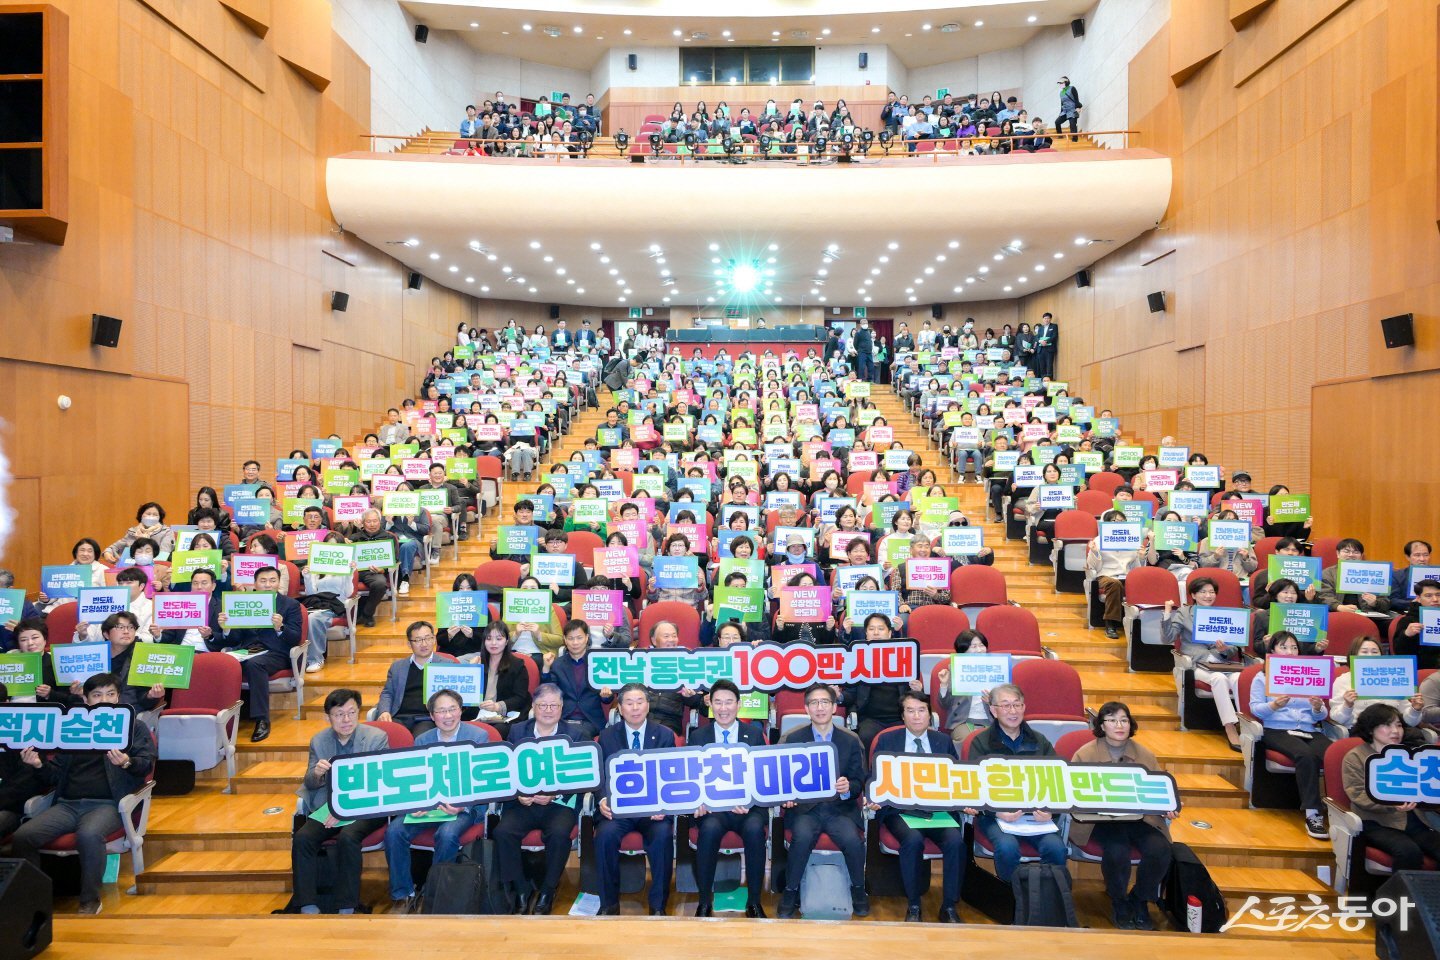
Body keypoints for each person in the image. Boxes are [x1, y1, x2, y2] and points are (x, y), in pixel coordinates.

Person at [11, 672, 157, 914]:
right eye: (97, 695)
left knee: (88, 835)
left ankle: (90, 900)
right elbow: (55, 774)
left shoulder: (134, 726)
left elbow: (146, 764)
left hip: (108, 803)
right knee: (23, 836)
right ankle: (33, 902)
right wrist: (38, 764)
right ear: (87, 701)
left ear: (119, 698)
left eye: (111, 694)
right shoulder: (73, 727)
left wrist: (126, 762)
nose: (105, 700)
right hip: (68, 804)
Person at [1069, 701, 1176, 929]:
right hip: (1100, 820)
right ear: (1101, 725)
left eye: (1124, 720)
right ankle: (1119, 901)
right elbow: (1072, 794)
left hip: (1139, 818)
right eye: (1112, 720)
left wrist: (1171, 805)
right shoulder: (1085, 754)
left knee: (1161, 849)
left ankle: (1139, 899)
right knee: (1117, 850)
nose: (1119, 725)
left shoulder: (1144, 754)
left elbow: (1161, 788)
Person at [383, 688, 491, 912]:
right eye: (441, 711)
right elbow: (414, 779)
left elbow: (485, 780)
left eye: (452, 709)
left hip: (462, 807)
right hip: (428, 807)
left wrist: (462, 805)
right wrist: (417, 803)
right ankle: (403, 894)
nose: (448, 715)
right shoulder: (423, 739)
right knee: (394, 831)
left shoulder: (478, 737)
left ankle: (436, 893)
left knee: (447, 834)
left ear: (461, 711)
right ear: (432, 716)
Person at [869, 691, 965, 923]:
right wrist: (873, 796)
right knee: (912, 840)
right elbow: (875, 777)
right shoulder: (887, 741)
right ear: (902, 716)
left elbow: (957, 779)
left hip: (938, 811)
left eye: (921, 710)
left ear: (930, 715)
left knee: (956, 842)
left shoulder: (943, 742)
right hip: (900, 811)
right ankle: (914, 905)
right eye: (910, 711)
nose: (916, 716)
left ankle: (949, 906)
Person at [290, 688, 389, 914]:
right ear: (328, 717)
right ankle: (307, 903)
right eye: (339, 714)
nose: (346, 720)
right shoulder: (319, 741)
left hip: (368, 806)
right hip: (330, 806)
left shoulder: (376, 738)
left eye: (351, 713)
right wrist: (317, 773)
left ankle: (347, 904)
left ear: (358, 713)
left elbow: (377, 783)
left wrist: (345, 809)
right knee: (303, 838)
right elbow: (310, 783)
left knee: (348, 836)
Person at [777, 682, 869, 919]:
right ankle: (790, 892)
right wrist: (786, 798)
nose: (819, 708)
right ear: (806, 708)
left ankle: (859, 890)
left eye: (825, 702)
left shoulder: (850, 740)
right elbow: (781, 778)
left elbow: (859, 780)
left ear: (834, 707)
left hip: (839, 808)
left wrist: (848, 787)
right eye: (814, 703)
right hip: (806, 810)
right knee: (802, 837)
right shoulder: (793, 738)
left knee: (852, 840)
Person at [963, 683, 1069, 882]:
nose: (1013, 711)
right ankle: (1013, 899)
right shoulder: (981, 742)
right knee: (1007, 848)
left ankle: (1047, 898)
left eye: (1017, 705)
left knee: (1056, 848)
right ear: (994, 711)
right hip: (997, 816)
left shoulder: (1040, 741)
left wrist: (1051, 811)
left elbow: (1058, 781)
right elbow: (973, 786)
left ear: (1024, 707)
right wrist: (996, 812)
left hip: (1036, 817)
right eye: (1006, 706)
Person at [494, 683, 584, 915]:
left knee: (559, 834)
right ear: (533, 707)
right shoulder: (517, 731)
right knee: (503, 832)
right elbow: (507, 770)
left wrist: (555, 793)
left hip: (559, 803)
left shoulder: (576, 734)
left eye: (553, 705)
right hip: (523, 802)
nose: (548, 710)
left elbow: (583, 775)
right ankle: (521, 889)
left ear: (562, 708)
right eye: (542, 705)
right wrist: (519, 793)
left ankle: (547, 890)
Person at [685, 679, 769, 917]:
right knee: (709, 830)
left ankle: (754, 901)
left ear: (739, 705)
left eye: (729, 702)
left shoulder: (753, 734)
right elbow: (693, 777)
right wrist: (698, 803)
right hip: (714, 810)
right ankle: (704, 900)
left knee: (754, 830)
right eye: (718, 702)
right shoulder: (699, 736)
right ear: (710, 704)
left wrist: (750, 801)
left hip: (747, 808)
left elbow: (762, 775)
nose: (723, 708)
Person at [594, 683, 676, 915]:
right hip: (619, 809)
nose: (635, 707)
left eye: (640, 702)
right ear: (620, 708)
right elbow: (601, 775)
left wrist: (665, 805)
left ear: (648, 705)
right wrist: (601, 800)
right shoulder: (608, 736)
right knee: (605, 836)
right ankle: (608, 904)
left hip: (653, 810)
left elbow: (673, 776)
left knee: (661, 835)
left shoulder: (664, 735)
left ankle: (658, 906)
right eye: (629, 703)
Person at [1248, 632, 1333, 839]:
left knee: (1333, 755)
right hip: (1276, 729)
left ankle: (1340, 809)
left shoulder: (1309, 674)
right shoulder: (1263, 677)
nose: (1290, 652)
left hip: (1309, 729)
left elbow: (1322, 715)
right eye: (1284, 647)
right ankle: (1314, 814)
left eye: (1294, 648)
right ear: (1272, 651)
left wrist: (1317, 707)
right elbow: (1256, 709)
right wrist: (1274, 705)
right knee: (1305, 755)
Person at [1341, 702, 1440, 872]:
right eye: (1387, 725)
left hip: (1414, 819)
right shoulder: (1355, 757)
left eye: (1399, 725)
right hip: (1375, 822)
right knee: (1408, 852)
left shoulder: (1409, 755)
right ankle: (1398, 898)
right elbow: (1358, 795)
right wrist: (1391, 804)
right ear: (1371, 729)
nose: (1395, 731)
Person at [213, 564, 302, 742]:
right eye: (263, 581)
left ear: (278, 583)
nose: (267, 585)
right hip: (246, 650)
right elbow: (234, 638)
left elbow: (295, 638)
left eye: (272, 580)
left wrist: (280, 628)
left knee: (256, 664)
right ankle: (219, 719)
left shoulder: (290, 604)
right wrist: (227, 628)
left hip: (275, 653)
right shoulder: (243, 602)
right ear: (254, 583)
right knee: (219, 663)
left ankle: (262, 719)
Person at [1162, 576, 1244, 750]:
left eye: (1212, 592)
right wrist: (1167, 613)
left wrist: (1224, 650)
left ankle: (1245, 725)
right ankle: (1230, 728)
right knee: (1218, 679)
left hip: (1222, 663)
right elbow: (1168, 637)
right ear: (1193, 594)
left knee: (1238, 678)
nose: (1208, 595)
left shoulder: (1224, 615)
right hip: (1197, 663)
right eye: (1203, 592)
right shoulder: (1185, 613)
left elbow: (1234, 649)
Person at [1329, 638, 1426, 744]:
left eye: (1375, 652)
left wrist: (1415, 710)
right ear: (1354, 654)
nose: (1370, 655)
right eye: (1364, 652)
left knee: (1416, 737)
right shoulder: (1343, 680)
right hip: (1363, 731)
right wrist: (1347, 705)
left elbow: (1410, 722)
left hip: (1394, 730)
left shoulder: (1393, 679)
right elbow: (1338, 719)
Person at [541, 618, 612, 740]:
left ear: (586, 638)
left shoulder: (598, 662)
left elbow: (608, 699)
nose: (575, 643)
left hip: (589, 720)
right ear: (565, 640)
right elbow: (548, 693)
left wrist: (605, 696)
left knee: (577, 735)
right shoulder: (558, 664)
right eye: (570, 638)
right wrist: (546, 668)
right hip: (563, 718)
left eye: (579, 638)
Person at [1086, 509, 1151, 638]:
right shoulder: (1098, 541)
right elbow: (1093, 567)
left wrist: (1142, 558)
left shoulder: (1132, 541)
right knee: (1115, 584)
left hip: (1127, 576)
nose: (1119, 523)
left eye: (1122, 521)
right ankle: (1110, 623)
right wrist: (1094, 552)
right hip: (1105, 576)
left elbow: (1137, 570)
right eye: (1114, 521)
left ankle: (1143, 625)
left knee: (1145, 583)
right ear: (1107, 524)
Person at [375, 621, 443, 736]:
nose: (424, 644)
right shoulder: (397, 667)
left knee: (421, 740)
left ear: (434, 639)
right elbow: (387, 693)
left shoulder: (446, 665)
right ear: (409, 644)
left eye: (428, 638)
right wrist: (384, 711)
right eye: (418, 640)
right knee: (388, 738)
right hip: (399, 717)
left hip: (427, 719)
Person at [934, 630, 996, 740]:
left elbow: (1007, 701)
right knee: (969, 742)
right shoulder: (955, 670)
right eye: (974, 646)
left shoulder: (997, 669)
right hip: (963, 722)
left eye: (982, 645)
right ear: (963, 651)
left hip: (992, 720)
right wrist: (944, 685)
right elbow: (945, 705)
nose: (979, 650)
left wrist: (992, 701)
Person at [1317, 538, 1392, 615]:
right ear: (1338, 554)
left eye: (1356, 552)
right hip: (1338, 614)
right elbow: (1324, 596)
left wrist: (1375, 603)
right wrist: (1338, 607)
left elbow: (1386, 603)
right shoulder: (1327, 573)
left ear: (1362, 556)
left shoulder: (1374, 573)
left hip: (1369, 615)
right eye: (1346, 551)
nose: (1351, 555)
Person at [1391, 578, 1440, 670]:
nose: (1435, 599)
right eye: (1428, 596)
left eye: (1438, 595)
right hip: (1424, 669)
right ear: (1418, 598)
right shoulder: (1408, 621)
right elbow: (1399, 653)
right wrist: (1406, 635)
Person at [1032, 312, 1059, 379]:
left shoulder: (1054, 326)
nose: (1046, 320)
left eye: (1048, 318)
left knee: (1049, 366)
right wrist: (1040, 341)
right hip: (1040, 349)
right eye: (1045, 318)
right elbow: (1036, 337)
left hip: (1049, 349)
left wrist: (1046, 341)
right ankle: (1043, 381)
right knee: (1042, 366)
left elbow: (1054, 336)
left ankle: (1049, 381)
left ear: (1050, 319)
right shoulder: (1040, 328)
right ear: (1043, 319)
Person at [1055, 76, 1082, 141]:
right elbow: (1062, 103)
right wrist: (1060, 113)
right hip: (1065, 111)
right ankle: (1060, 136)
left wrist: (1077, 107)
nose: (1060, 85)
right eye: (1059, 83)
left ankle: (1075, 139)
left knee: (1072, 125)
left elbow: (1076, 99)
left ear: (1066, 82)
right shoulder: (1061, 93)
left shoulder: (1072, 88)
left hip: (1072, 110)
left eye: (1061, 83)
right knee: (1057, 122)